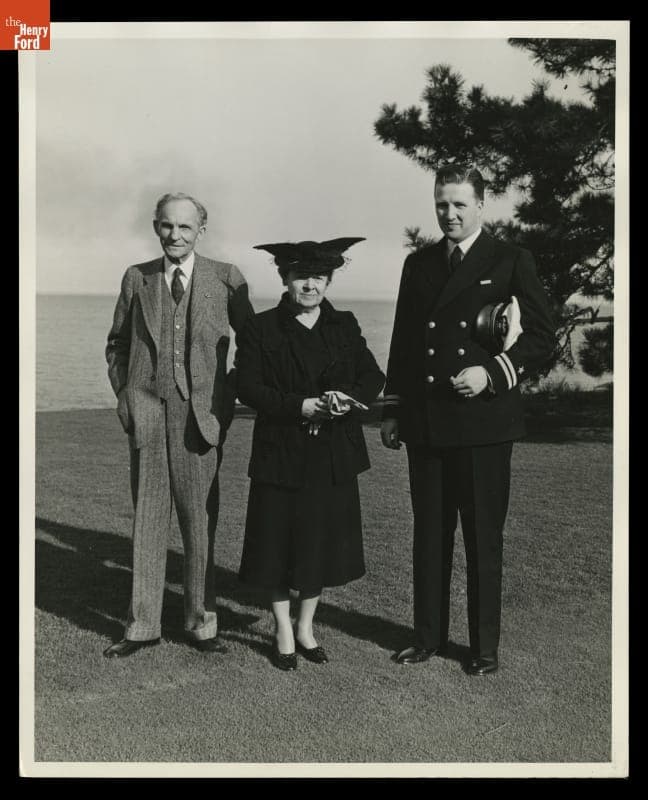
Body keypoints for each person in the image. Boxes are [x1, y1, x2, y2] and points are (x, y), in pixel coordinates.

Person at [381, 164, 556, 675]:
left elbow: (541, 336)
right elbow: (404, 341)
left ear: (481, 204)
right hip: (428, 423)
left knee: (483, 538)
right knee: (429, 535)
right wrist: (393, 410)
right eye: (441, 204)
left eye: (459, 204)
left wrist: (493, 373)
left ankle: (483, 649)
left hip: (483, 424)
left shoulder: (510, 259)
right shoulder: (419, 264)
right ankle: (428, 637)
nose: (449, 214)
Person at [103, 192, 254, 658]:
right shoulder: (137, 278)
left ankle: (201, 624)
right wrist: (128, 397)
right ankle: (142, 625)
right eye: (167, 226)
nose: (175, 235)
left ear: (201, 231)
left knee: (199, 523)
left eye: (185, 227)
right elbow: (117, 345)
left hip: (200, 421)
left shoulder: (226, 278)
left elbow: (250, 348)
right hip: (148, 415)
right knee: (147, 522)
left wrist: (223, 406)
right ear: (156, 227)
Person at [236, 237, 385, 670]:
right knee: (277, 544)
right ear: (284, 278)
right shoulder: (260, 328)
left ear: (329, 280)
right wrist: (299, 406)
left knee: (318, 545)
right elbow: (248, 386)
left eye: (318, 277)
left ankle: (306, 627)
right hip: (281, 454)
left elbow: (372, 375)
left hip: (332, 455)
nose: (310, 285)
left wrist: (346, 401)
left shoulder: (345, 324)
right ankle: (283, 628)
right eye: (301, 276)